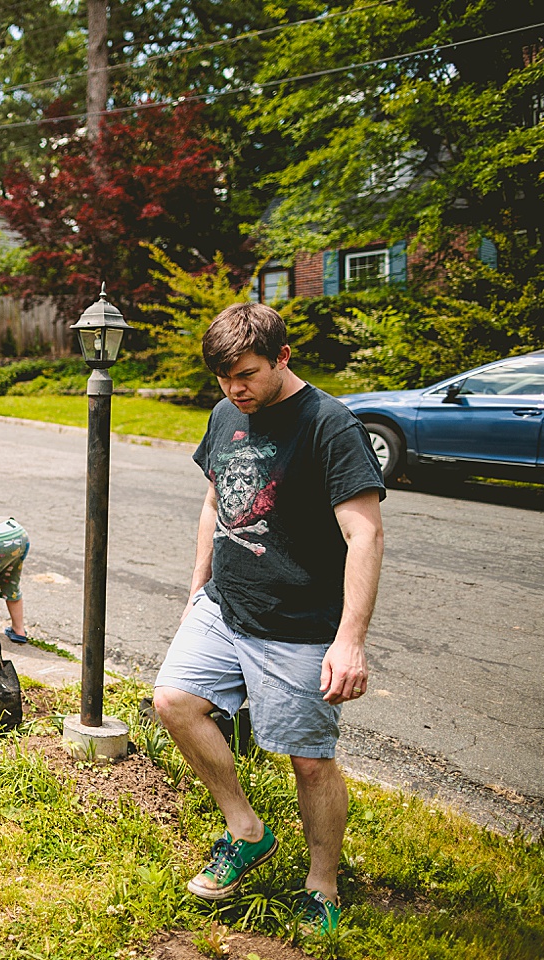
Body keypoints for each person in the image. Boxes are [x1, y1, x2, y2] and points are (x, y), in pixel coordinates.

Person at [152, 303, 384, 934]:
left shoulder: (330, 426)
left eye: (248, 375)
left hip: (299, 623)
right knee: (173, 700)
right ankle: (246, 829)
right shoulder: (227, 411)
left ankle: (323, 884)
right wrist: (196, 589)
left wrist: (350, 640)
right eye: (224, 380)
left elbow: (364, 536)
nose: (235, 391)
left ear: (283, 358)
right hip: (224, 605)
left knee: (308, 759)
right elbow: (213, 500)